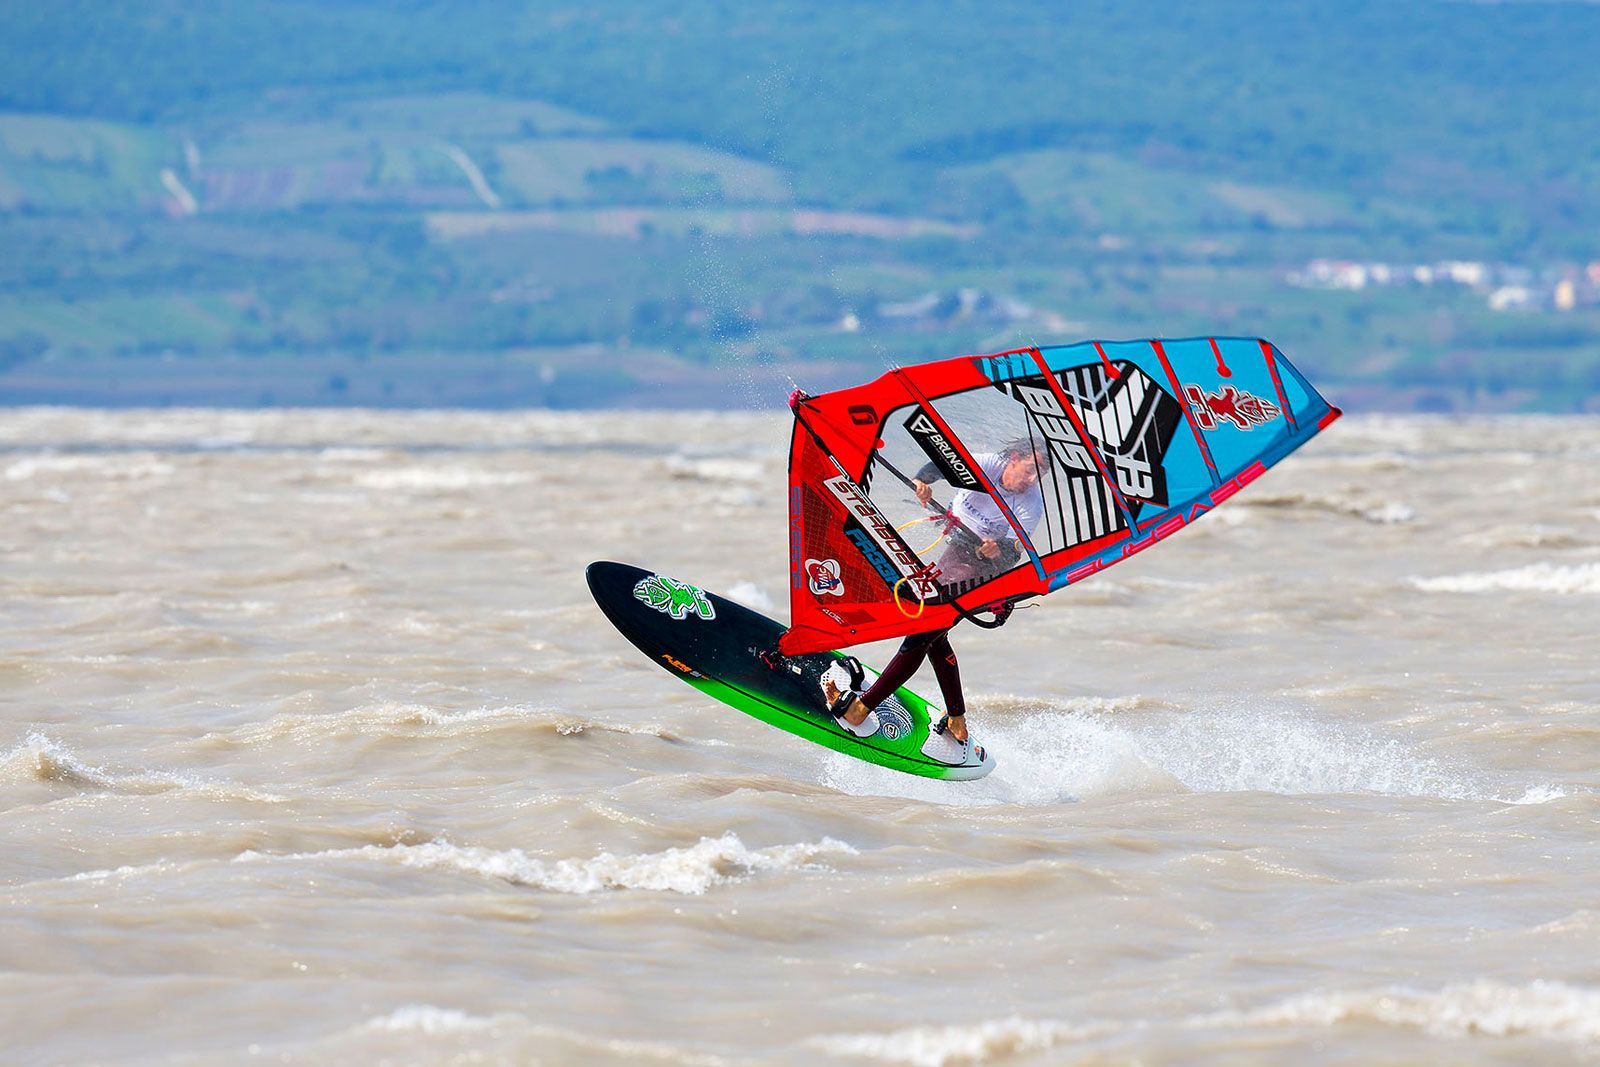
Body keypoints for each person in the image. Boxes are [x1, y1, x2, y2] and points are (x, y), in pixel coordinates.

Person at [821, 439, 1046, 750]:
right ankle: (957, 719)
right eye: (1031, 469)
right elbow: (942, 465)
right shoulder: (988, 463)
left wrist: (996, 551)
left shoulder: (1031, 504)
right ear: (1014, 459)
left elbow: (1014, 554)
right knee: (934, 635)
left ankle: (862, 708)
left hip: (979, 569)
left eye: (1041, 473)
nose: (1034, 479)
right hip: (955, 549)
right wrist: (922, 481)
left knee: (922, 630)